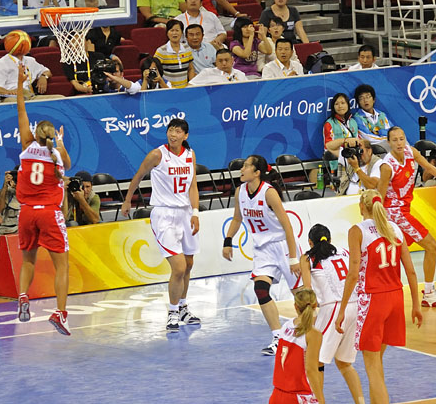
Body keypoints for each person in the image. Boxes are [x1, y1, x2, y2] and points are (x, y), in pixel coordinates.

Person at [334, 189, 422, 404]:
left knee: (372, 369)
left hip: (373, 299)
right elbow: (411, 270)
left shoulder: (357, 230)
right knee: (377, 366)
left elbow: (352, 273)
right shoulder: (394, 228)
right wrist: (416, 304)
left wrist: (341, 309)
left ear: (362, 207)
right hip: (396, 298)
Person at [120, 119, 203, 331]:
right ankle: (173, 312)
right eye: (170, 130)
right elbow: (138, 176)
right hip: (164, 214)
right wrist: (128, 200)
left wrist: (195, 212)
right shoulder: (157, 155)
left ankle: (183, 307)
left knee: (189, 264)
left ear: (185, 135)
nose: (172, 134)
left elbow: (193, 185)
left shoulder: (189, 155)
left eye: (177, 131)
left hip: (185, 212)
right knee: (179, 267)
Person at [248, 288, 342, 404]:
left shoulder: (286, 326)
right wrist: (321, 401)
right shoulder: (313, 335)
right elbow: (312, 370)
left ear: (295, 307)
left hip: (278, 395)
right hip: (299, 398)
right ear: (316, 306)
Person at [14, 64, 73, 335]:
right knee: (62, 266)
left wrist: (20, 83)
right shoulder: (57, 155)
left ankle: (23, 296)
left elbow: (21, 110)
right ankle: (60, 313)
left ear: (34, 135)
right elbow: (68, 166)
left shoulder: (27, 147)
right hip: (49, 213)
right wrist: (59, 143)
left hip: (26, 213)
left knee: (28, 261)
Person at [376, 126, 436, 308]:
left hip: (405, 210)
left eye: (402, 138)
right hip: (395, 213)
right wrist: (376, 223)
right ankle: (429, 293)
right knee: (431, 246)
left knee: (396, 254)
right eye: (395, 140)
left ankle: (386, 293)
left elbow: (430, 167)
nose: (399, 143)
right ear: (388, 143)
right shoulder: (387, 166)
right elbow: (379, 197)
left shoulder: (411, 152)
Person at [223, 155, 301, 355]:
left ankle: (313, 331)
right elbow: (237, 218)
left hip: (282, 246)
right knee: (260, 289)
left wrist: (293, 258)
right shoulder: (240, 191)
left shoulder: (269, 193)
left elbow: (287, 227)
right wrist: (228, 240)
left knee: (301, 297)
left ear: (257, 172)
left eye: (247, 166)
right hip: (263, 249)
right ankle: (278, 336)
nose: (242, 168)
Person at [298, 223, 370, 404]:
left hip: (333, 308)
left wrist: (306, 319)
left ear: (310, 242)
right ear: (329, 239)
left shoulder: (308, 258)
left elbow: (308, 292)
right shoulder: (345, 253)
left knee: (314, 361)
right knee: (344, 363)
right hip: (355, 305)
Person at [154, 19, 195, 88]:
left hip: (184, 89)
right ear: (167, 33)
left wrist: (190, 84)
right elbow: (155, 70)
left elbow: (191, 68)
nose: (174, 33)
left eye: (177, 30)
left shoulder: (187, 48)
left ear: (182, 33)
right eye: (172, 30)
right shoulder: (161, 51)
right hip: (168, 90)